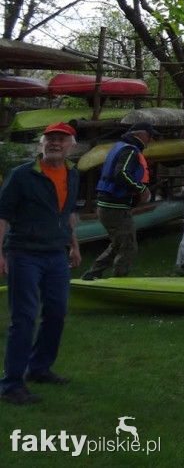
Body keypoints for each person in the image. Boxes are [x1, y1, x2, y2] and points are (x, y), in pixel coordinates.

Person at [0, 122, 81, 404]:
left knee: (57, 312)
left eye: (61, 140)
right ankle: (11, 384)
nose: (55, 144)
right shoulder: (21, 175)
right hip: (24, 253)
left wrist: (74, 246)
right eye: (50, 139)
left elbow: (68, 212)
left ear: (71, 145)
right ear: (42, 143)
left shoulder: (72, 174)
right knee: (23, 318)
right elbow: (3, 215)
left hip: (56, 253)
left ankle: (39, 368)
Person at [81, 122, 157, 280]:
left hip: (109, 205)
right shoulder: (129, 150)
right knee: (128, 246)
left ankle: (93, 274)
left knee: (119, 243)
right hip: (113, 206)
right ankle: (119, 280)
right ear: (140, 134)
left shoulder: (121, 147)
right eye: (150, 136)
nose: (151, 140)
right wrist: (141, 189)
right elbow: (121, 174)